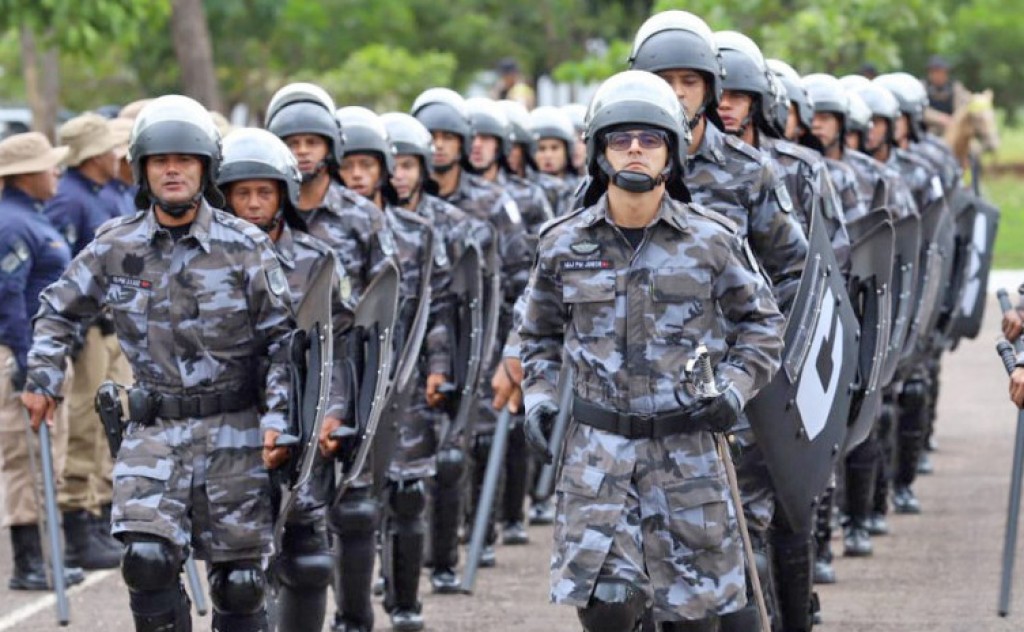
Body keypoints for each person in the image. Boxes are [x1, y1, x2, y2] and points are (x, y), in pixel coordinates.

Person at [520, 69, 786, 632]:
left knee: (693, 618)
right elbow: (537, 334)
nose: (635, 150)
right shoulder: (563, 245)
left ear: (672, 153)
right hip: (599, 459)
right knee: (609, 605)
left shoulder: (711, 240)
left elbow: (762, 325)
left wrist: (735, 391)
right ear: (599, 152)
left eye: (650, 139)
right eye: (620, 139)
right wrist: (540, 398)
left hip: (687, 456)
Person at [21, 95, 296, 632]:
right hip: (153, 429)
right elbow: (58, 308)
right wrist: (44, 378)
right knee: (146, 562)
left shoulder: (245, 247)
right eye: (160, 161)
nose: (172, 170)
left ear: (205, 169)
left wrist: (281, 420)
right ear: (143, 170)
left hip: (235, 432)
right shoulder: (116, 246)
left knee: (239, 584)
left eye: (185, 160)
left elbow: (285, 343)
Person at [629, 13, 809, 630]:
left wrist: (750, 359)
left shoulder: (749, 171)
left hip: (733, 393)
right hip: (640, 391)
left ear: (711, 86)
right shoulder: (613, 171)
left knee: (739, 536)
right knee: (646, 550)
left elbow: (794, 273)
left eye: (690, 80)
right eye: (664, 79)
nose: (677, 93)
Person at [216, 126, 355, 632]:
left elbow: (337, 348)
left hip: (300, 417)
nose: (253, 204)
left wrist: (332, 411)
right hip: (229, 423)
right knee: (237, 570)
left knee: (307, 556)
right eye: (242, 193)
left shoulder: (319, 262)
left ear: (283, 195)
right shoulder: (204, 261)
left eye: (264, 192)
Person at [334, 105, 451, 632]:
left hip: (401, 376)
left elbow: (438, 306)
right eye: (349, 166)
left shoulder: (419, 232)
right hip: (338, 383)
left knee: (406, 492)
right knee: (346, 505)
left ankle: (405, 603)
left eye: (367, 166)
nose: (358, 177)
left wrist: (437, 368)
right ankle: (349, 609)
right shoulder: (318, 232)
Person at [411, 86, 532, 584]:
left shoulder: (493, 202)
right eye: (430, 138)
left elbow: (523, 272)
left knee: (471, 444)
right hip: (414, 343)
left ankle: (474, 531)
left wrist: (511, 344)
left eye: (448, 138)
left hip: (479, 338)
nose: (438, 147)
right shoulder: (402, 200)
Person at [46, 112, 133, 571]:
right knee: (84, 423)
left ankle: (100, 514)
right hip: (87, 330)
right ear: (95, 155)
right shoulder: (69, 199)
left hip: (112, 326)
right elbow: (59, 270)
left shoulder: (103, 194)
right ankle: (79, 524)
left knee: (109, 422)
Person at [0, 131, 86, 591]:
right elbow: (7, 298)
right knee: (26, 458)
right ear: (26, 175)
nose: (56, 172)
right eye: (48, 165)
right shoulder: (12, 224)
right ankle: (29, 563)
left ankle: (46, 559)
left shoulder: (30, 218)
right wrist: (26, 361)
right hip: (26, 355)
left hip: (47, 354)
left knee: (47, 456)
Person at [465, 96, 552, 548]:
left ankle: (510, 511)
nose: (477, 147)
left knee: (509, 421)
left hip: (507, 323)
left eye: (487, 139)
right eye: (472, 138)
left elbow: (530, 268)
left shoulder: (520, 198)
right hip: (463, 328)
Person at [265, 82, 393, 303]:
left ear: (330, 147)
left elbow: (385, 297)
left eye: (312, 142)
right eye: (293, 143)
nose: (302, 151)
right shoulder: (264, 212)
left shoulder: (364, 216)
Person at [923, 55, 969, 136]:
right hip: (928, 130)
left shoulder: (955, 88)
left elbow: (965, 105)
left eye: (942, 72)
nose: (939, 76)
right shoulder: (922, 87)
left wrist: (955, 120)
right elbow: (920, 110)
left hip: (953, 129)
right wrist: (940, 118)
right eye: (936, 72)